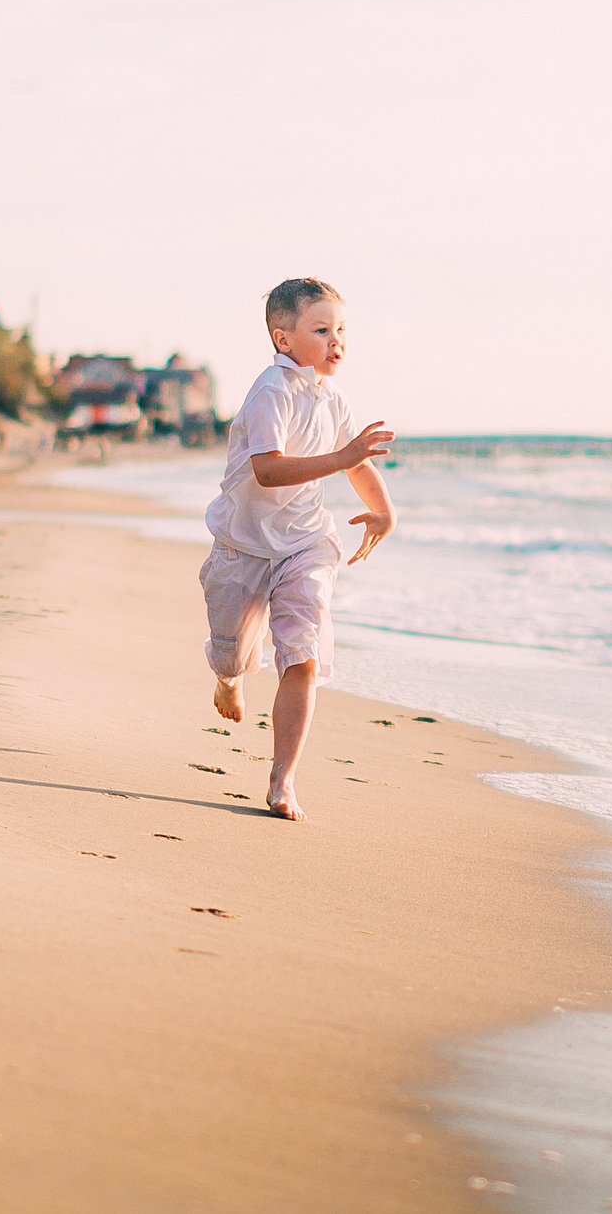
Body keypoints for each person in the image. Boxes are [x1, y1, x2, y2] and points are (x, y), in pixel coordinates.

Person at [199, 277, 395, 820]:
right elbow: (269, 469)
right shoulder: (272, 391)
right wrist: (342, 457)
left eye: (341, 330)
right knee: (233, 650)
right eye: (321, 329)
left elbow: (356, 462)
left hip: (306, 542)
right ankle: (230, 676)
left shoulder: (335, 399)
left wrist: (384, 510)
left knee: (302, 651)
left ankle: (283, 780)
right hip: (243, 545)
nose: (337, 341)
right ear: (284, 340)